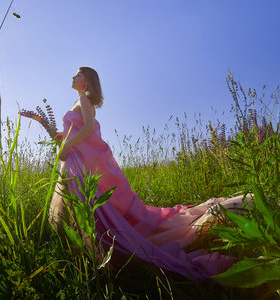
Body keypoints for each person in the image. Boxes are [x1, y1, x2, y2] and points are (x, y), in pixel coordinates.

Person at [49, 66, 249, 282]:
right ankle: (81, 247)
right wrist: (65, 138)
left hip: (79, 158)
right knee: (79, 204)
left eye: (78, 74)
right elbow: (82, 130)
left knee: (89, 206)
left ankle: (95, 252)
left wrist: (67, 145)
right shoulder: (80, 101)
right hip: (78, 159)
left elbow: (88, 128)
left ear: (87, 81)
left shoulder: (84, 99)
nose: (73, 76)